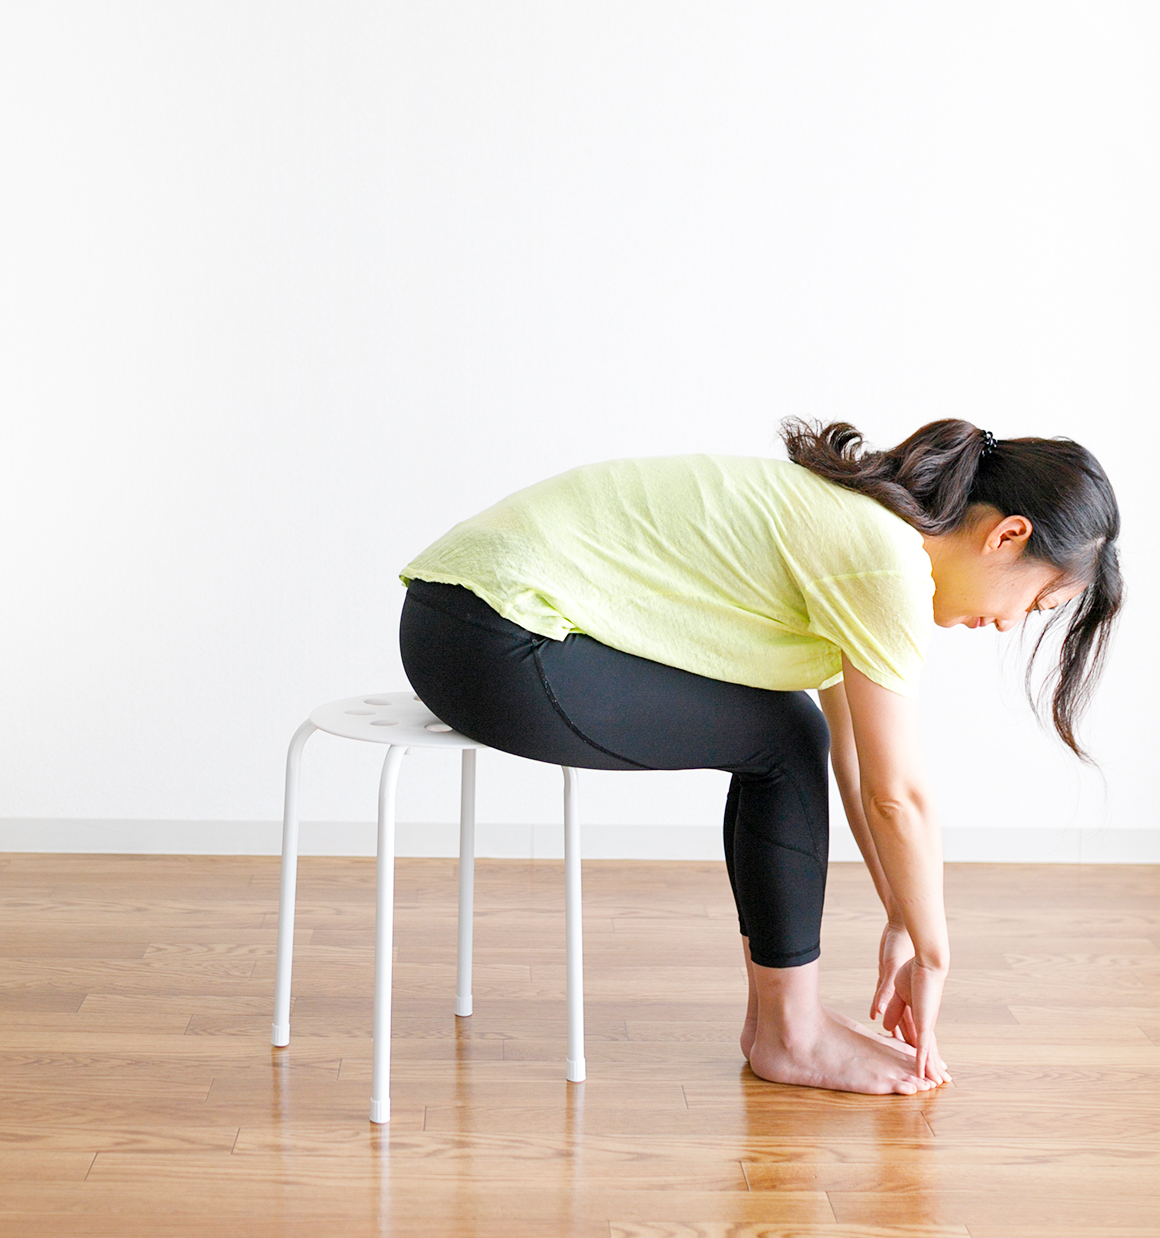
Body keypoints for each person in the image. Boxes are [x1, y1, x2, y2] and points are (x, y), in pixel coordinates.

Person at [396, 418, 1122, 1095]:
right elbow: (898, 794)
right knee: (782, 735)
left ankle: (782, 1024)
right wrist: (936, 955)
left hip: (456, 622)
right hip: (494, 636)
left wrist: (903, 912)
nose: (1006, 623)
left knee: (789, 733)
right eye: (1035, 603)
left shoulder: (863, 535)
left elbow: (860, 764)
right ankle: (790, 1031)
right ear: (1008, 537)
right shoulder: (884, 564)